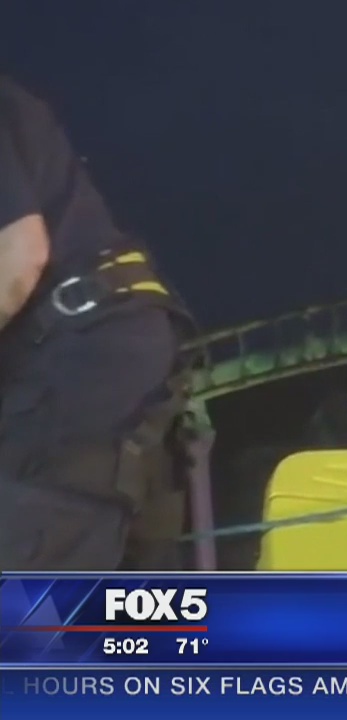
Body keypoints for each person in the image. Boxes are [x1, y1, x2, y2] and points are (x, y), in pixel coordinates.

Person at [0, 77, 195, 570]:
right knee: (121, 626)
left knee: (25, 614)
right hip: (105, 360)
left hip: (73, 363)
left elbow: (16, 258)